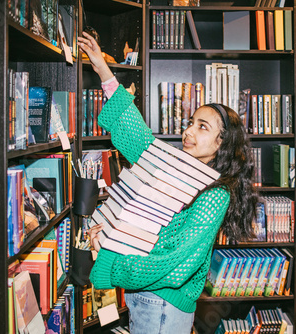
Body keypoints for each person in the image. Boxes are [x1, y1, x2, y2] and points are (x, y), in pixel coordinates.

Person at [78, 31, 258, 334]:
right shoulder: (181, 167)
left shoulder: (215, 195)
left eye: (202, 127)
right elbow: (138, 138)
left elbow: (173, 262)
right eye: (190, 123)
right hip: (146, 297)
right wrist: (102, 68)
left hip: (163, 304)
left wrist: (110, 257)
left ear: (221, 143)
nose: (188, 132)